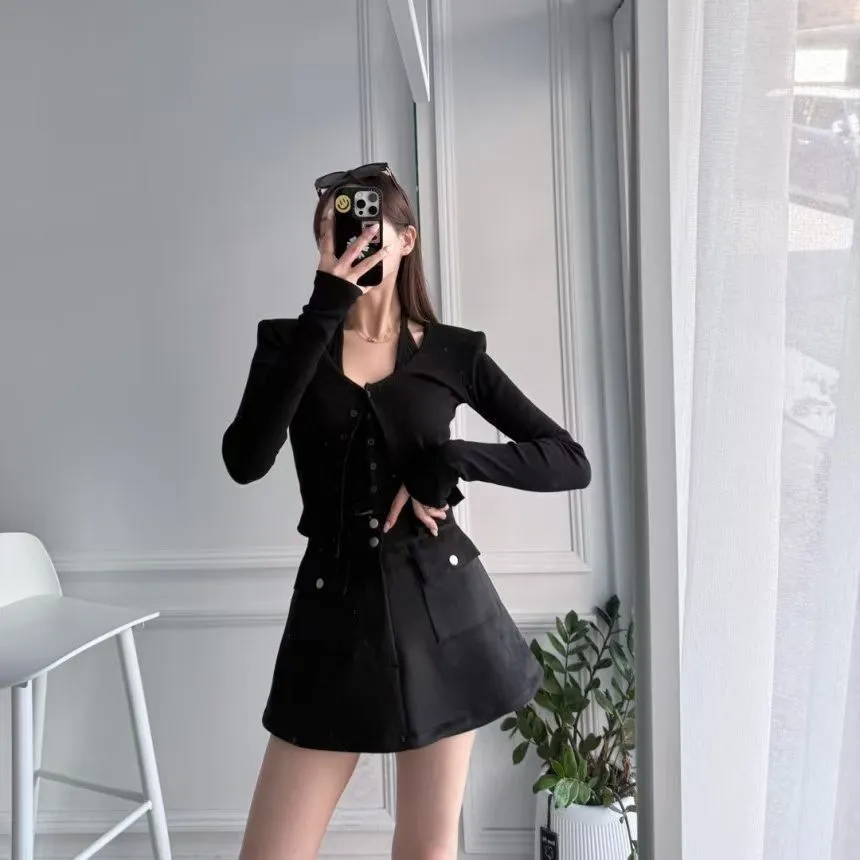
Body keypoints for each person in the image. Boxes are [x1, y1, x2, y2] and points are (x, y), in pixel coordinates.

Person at [221, 162, 591, 860]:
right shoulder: (288, 344)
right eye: (332, 230)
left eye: (366, 227)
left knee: (426, 850)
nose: (349, 240)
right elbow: (246, 459)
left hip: (444, 613)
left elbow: (569, 460)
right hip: (331, 614)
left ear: (406, 239)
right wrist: (325, 305)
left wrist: (452, 461)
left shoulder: (453, 352)